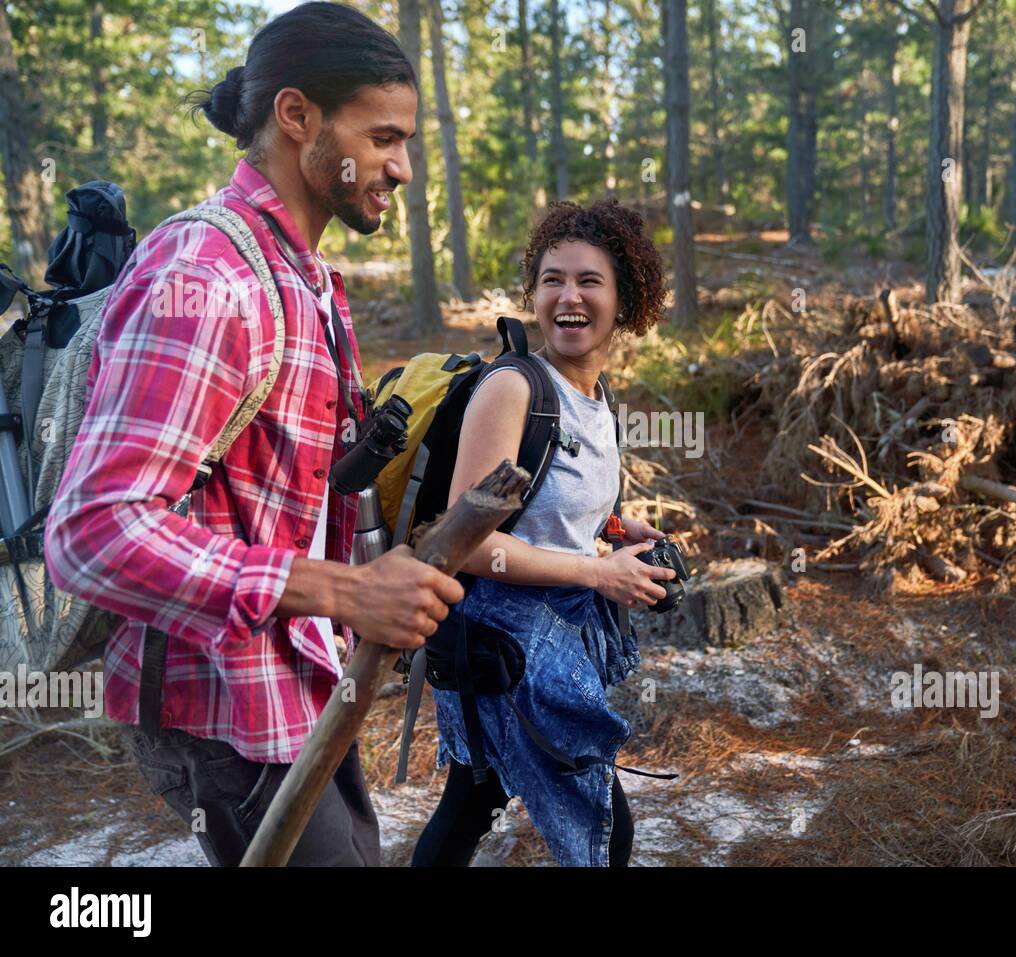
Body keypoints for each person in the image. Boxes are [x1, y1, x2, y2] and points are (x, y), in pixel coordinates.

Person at [42, 1, 463, 867]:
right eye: (384, 137)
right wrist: (344, 594)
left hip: (300, 683)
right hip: (224, 706)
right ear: (297, 115)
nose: (404, 167)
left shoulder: (302, 276)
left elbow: (283, 494)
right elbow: (92, 530)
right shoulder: (205, 276)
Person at [410, 200, 676, 868]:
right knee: (604, 826)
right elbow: (465, 540)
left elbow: (553, 507)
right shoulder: (513, 388)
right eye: (553, 278)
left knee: (472, 802)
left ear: (625, 297)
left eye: (590, 280)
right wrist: (597, 572)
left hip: (544, 636)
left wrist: (616, 527)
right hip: (495, 641)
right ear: (533, 290)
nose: (569, 296)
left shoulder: (593, 394)